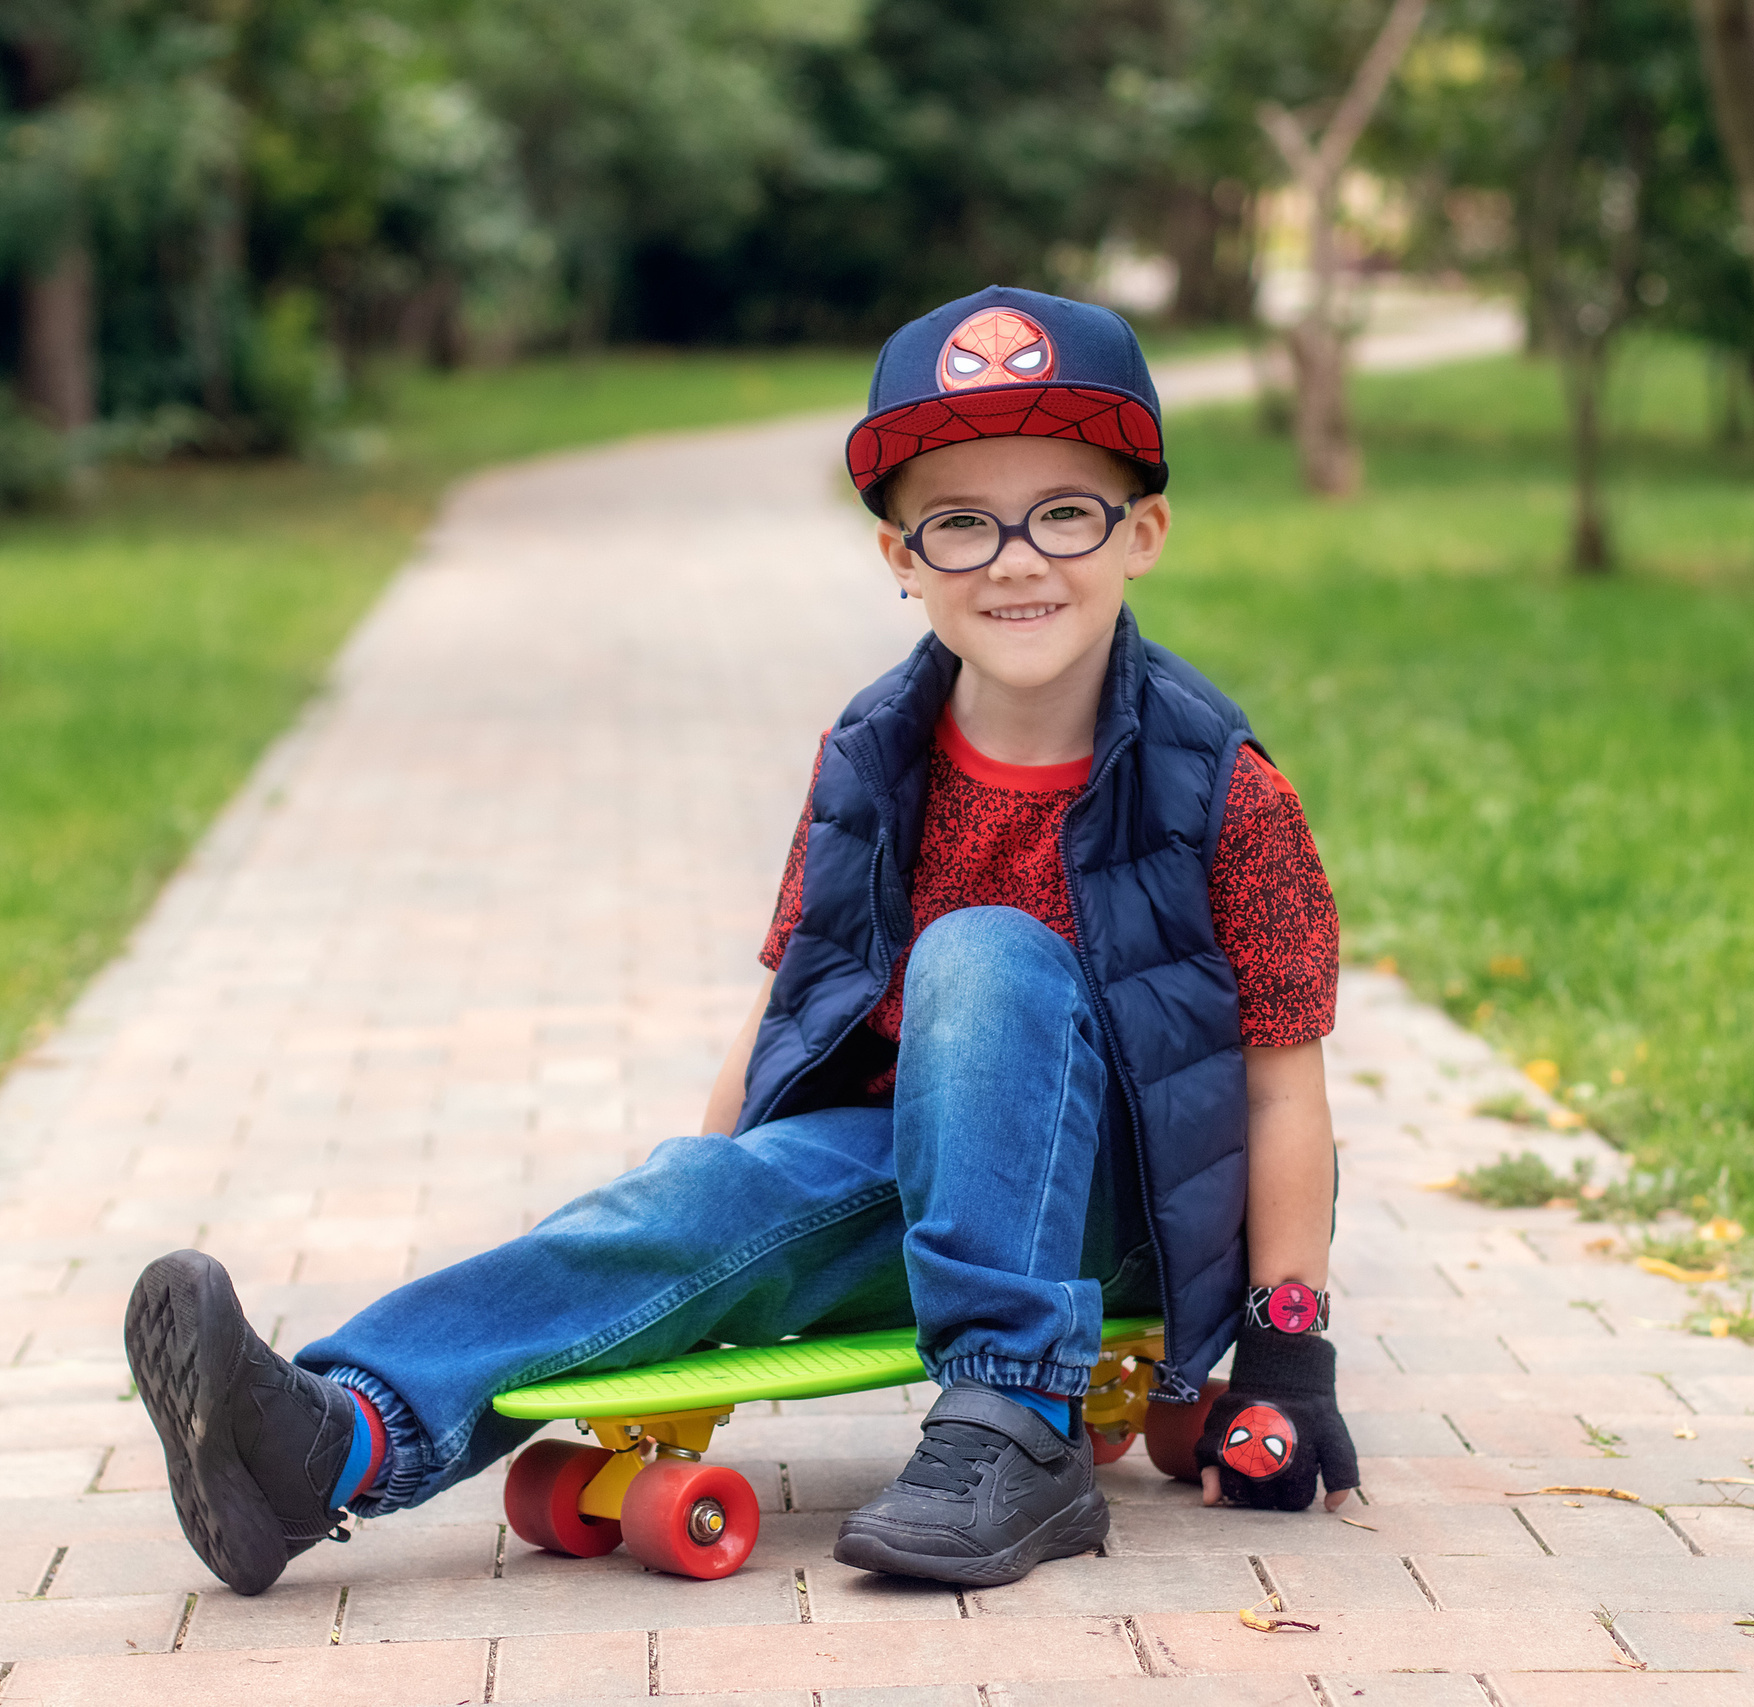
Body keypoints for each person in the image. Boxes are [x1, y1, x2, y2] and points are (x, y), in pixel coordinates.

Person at [124, 286, 1359, 1598]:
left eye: (1065, 512)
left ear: (1143, 533)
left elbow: (1284, 1085)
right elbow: (793, 1007)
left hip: (1125, 1213)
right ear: (899, 555)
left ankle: (1018, 1428)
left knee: (981, 953)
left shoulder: (1219, 789)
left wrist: (1290, 1356)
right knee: (693, 1196)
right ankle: (330, 1443)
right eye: (960, 523)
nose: (1015, 558)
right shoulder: (872, 756)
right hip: (920, 1182)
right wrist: (701, 1211)